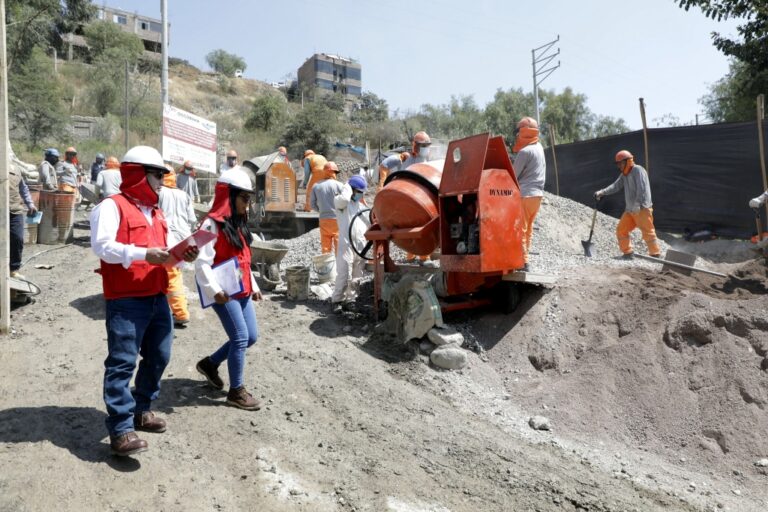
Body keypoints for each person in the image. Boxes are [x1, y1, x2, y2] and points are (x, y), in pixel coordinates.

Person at [89, 145, 199, 457]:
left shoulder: (156, 213)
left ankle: (141, 409)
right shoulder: (112, 207)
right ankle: (121, 429)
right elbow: (102, 246)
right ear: (138, 174)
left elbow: (162, 256)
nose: (163, 180)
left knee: (159, 356)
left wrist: (180, 256)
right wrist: (142, 254)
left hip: (156, 296)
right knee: (122, 362)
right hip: (125, 299)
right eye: (157, 174)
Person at [194, 167, 264, 411]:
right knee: (240, 337)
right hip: (222, 290)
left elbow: (244, 257)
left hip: (239, 286)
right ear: (229, 196)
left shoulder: (238, 222)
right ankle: (236, 391)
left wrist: (253, 284)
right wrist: (214, 291)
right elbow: (201, 262)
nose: (248, 204)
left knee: (250, 336)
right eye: (244, 198)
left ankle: (210, 364)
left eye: (249, 198)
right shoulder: (210, 224)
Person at [594, 150, 661, 259]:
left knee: (647, 232)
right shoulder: (624, 174)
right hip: (630, 210)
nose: (619, 166)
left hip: (642, 209)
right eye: (618, 164)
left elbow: (642, 188)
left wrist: (637, 204)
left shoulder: (638, 170)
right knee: (621, 229)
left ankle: (655, 254)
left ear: (627, 161)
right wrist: (602, 192)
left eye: (620, 163)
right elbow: (615, 186)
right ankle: (628, 253)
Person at [159, 167, 197, 328]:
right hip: (184, 239)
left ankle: (181, 313)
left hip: (167, 239)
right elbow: (193, 220)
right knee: (174, 274)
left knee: (172, 275)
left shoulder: (158, 193)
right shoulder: (184, 195)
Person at [511, 116, 546, 271]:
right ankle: (526, 259)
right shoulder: (539, 148)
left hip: (525, 194)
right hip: (537, 196)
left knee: (520, 230)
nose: (517, 135)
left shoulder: (525, 152)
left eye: (518, 131)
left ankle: (523, 263)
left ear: (523, 132)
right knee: (528, 230)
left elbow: (513, 175)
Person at [331, 175, 370, 313]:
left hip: (361, 245)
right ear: (351, 190)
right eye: (359, 191)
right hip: (346, 243)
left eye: (362, 192)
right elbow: (344, 199)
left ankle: (351, 300)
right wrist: (346, 187)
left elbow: (371, 221)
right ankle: (337, 300)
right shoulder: (341, 203)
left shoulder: (360, 206)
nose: (360, 195)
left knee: (357, 275)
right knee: (344, 273)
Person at [401, 131, 433, 265]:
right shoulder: (410, 162)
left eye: (427, 145)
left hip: (424, 199)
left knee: (425, 229)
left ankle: (424, 257)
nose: (425, 148)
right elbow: (402, 177)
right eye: (423, 145)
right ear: (416, 146)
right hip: (411, 198)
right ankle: (411, 257)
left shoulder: (427, 161)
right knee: (411, 229)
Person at [9, 165, 37, 279]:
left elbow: (23, 188)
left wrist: (30, 203)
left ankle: (13, 269)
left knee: (18, 238)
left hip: (15, 210)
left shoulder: (15, 169)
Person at [310, 161, 344, 254]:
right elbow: (346, 202)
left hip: (323, 219)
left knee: (325, 248)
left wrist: (321, 210)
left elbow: (312, 204)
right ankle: (339, 266)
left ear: (324, 172)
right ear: (333, 172)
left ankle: (327, 267)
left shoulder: (316, 186)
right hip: (337, 219)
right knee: (339, 246)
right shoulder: (340, 185)